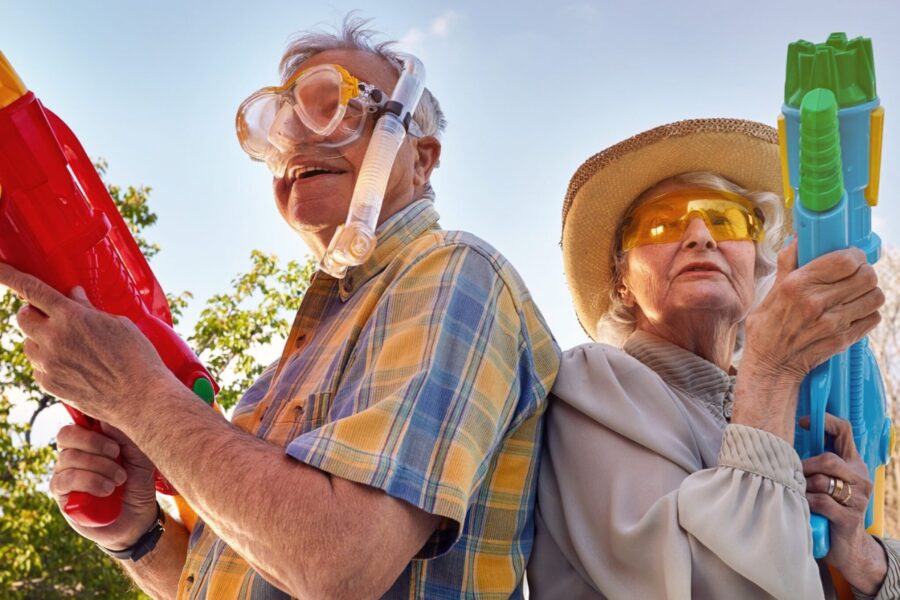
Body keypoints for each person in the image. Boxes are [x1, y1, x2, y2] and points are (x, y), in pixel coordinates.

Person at [0, 17, 559, 599]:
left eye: (332, 103)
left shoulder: (456, 275)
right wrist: (138, 536)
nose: (295, 136)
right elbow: (237, 579)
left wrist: (138, 396)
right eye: (279, 120)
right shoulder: (286, 371)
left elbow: (339, 564)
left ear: (421, 158)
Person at [527, 118, 900, 599]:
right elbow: (707, 586)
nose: (700, 236)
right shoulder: (594, 382)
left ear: (759, 262)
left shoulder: (795, 408)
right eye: (662, 222)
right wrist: (771, 371)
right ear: (622, 281)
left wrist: (860, 557)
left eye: (727, 219)